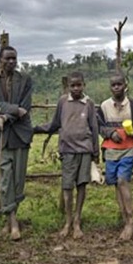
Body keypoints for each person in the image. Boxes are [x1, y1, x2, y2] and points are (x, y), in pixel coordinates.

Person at [34, 71, 99, 239]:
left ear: (84, 85)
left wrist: (95, 153)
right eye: (73, 85)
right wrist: (37, 128)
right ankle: (68, 221)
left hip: (84, 150)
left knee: (82, 185)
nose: (76, 88)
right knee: (67, 186)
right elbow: (55, 123)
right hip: (67, 150)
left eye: (79, 85)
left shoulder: (89, 103)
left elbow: (94, 128)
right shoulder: (63, 101)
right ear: (68, 86)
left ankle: (77, 220)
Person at [0, 46, 33, 241]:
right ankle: (13, 223)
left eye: (14, 59)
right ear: (0, 60)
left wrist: (2, 117)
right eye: (7, 59)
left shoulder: (26, 80)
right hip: (0, 139)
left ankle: (9, 219)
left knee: (18, 181)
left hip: (20, 135)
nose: (11, 62)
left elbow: (25, 108)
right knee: (4, 180)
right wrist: (10, 110)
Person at [97, 72, 133, 241]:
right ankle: (124, 217)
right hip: (110, 150)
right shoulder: (103, 106)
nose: (116, 87)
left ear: (125, 85)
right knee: (116, 182)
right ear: (110, 87)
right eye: (113, 85)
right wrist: (110, 132)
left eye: (119, 84)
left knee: (123, 180)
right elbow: (99, 126)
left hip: (128, 148)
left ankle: (131, 220)